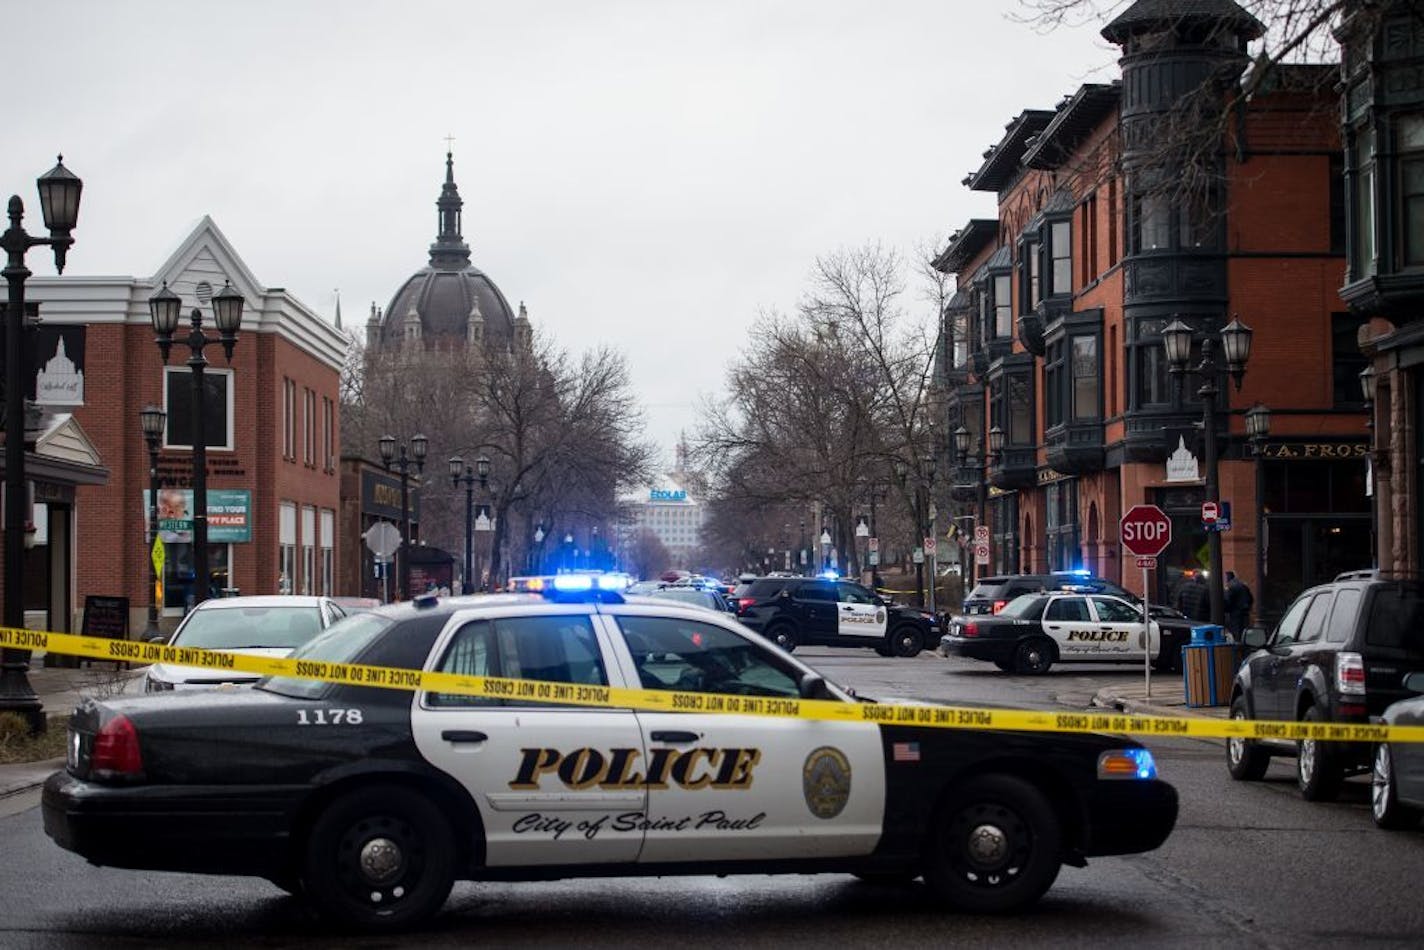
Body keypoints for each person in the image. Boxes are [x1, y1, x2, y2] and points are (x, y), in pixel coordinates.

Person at [1224, 570, 1254, 638]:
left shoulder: (1230, 586)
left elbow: (1227, 600)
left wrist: (1226, 610)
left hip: (1235, 613)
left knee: (1237, 633)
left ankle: (1238, 646)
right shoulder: (1243, 585)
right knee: (1245, 631)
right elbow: (1251, 598)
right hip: (1245, 612)